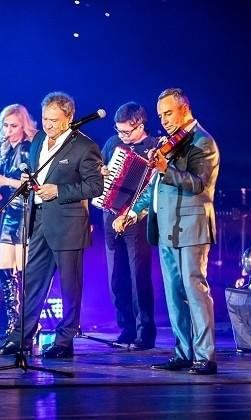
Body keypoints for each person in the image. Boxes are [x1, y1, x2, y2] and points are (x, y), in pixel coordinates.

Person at [0, 91, 104, 359]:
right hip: (39, 220)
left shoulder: (84, 146)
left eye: (54, 120)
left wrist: (59, 191)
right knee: (32, 282)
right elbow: (35, 172)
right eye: (45, 119)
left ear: (69, 118)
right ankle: (20, 339)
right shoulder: (39, 139)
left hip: (68, 224)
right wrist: (28, 180)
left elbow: (95, 186)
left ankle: (64, 341)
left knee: (69, 286)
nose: (48, 125)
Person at [114, 88, 220, 374]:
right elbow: (154, 187)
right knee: (174, 294)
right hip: (166, 227)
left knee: (194, 290)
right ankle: (183, 353)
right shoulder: (170, 143)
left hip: (191, 226)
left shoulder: (202, 141)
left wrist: (165, 168)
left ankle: (205, 356)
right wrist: (132, 212)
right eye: (160, 115)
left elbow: (198, 184)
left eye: (169, 113)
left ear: (185, 108)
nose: (164, 120)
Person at [100, 102, 157, 350]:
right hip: (110, 215)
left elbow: (152, 187)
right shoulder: (113, 143)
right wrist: (102, 172)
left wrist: (133, 212)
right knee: (116, 277)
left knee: (139, 276)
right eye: (119, 130)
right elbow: (98, 171)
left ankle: (145, 333)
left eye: (127, 131)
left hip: (137, 219)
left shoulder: (154, 146)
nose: (122, 135)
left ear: (140, 125)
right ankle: (126, 329)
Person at [0, 104, 37, 336]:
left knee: (23, 270)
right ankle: (13, 324)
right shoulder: (4, 150)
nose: (8, 131)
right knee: (5, 269)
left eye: (14, 126)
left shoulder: (28, 149)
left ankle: (29, 323)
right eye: (5, 125)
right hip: (9, 214)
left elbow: (31, 185)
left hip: (26, 212)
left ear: (23, 126)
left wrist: (3, 181)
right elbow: (5, 187)